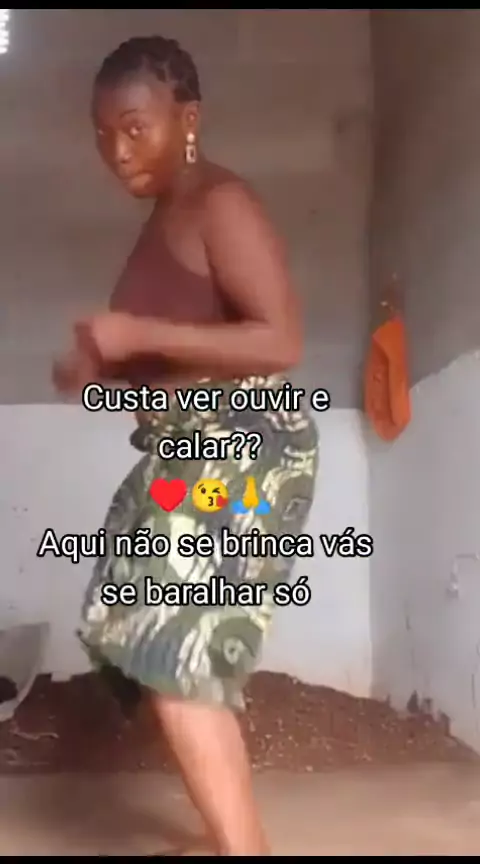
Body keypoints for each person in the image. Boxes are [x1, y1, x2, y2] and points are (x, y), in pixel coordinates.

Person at [53, 35, 319, 857]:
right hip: (186, 452)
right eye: (104, 135)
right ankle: (229, 837)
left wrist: (137, 333)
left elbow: (280, 341)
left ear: (188, 119)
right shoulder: (162, 223)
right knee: (148, 637)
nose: (118, 150)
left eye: (135, 127)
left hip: (246, 443)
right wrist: (100, 367)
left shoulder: (219, 202)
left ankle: (244, 850)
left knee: (172, 645)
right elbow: (174, 355)